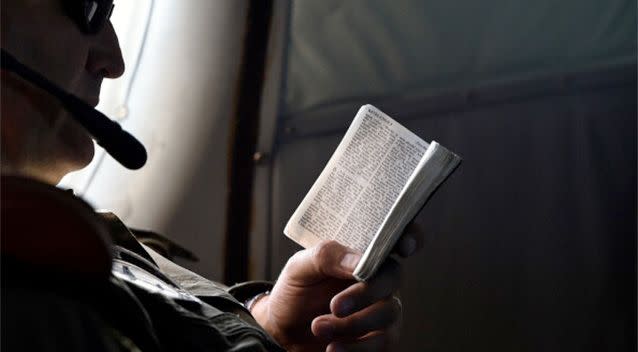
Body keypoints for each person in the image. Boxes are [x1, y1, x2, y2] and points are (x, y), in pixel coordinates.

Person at [1, 1, 424, 351]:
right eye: (90, 9)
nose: (114, 62)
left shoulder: (83, 242)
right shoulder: (29, 304)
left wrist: (268, 324)